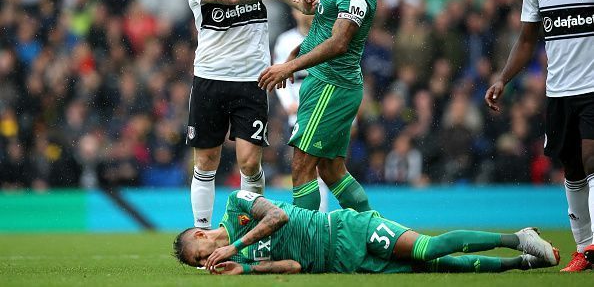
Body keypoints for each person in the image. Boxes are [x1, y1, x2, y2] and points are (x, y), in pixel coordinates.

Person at [182, 0, 316, 229]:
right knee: (206, 160)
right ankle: (202, 233)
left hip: (252, 80)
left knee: (249, 161)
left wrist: (306, 1)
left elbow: (295, 1)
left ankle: (247, 232)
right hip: (210, 79)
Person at [485, 0, 594, 272]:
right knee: (573, 170)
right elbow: (528, 40)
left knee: (592, 160)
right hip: (559, 93)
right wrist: (503, 78)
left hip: (592, 89)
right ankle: (585, 248)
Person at [258, 0, 376, 212]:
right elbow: (321, 32)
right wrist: (292, 56)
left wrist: (290, 67)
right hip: (326, 83)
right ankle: (373, 230)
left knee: (301, 166)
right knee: (331, 170)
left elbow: (338, 43)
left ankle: (305, 241)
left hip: (331, 87)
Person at [172, 190, 560, 274]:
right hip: (343, 262)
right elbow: (291, 266)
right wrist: (246, 270)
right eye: (199, 264)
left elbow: (277, 217)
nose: (204, 262)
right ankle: (522, 263)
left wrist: (236, 245)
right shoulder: (237, 261)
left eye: (198, 255)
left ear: (202, 236)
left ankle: (518, 236)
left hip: (348, 229)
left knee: (427, 248)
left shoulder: (235, 204)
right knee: (440, 270)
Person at [273, 10, 330, 211]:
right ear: (294, 14)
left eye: (311, 10)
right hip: (297, 111)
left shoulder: (328, 36)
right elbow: (279, 73)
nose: (306, 14)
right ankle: (309, 216)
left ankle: (319, 217)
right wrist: (288, 103)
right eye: (300, 9)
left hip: (323, 107)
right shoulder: (285, 40)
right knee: (303, 166)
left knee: (322, 166)